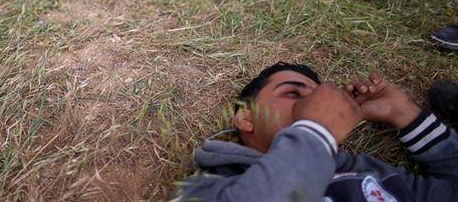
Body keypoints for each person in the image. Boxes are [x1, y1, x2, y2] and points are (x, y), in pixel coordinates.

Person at [174, 62, 458, 201]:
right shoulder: (211, 187)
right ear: (246, 117)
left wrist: (405, 114)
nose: (313, 105)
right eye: (292, 93)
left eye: (320, 99)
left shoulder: (369, 173)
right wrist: (316, 132)